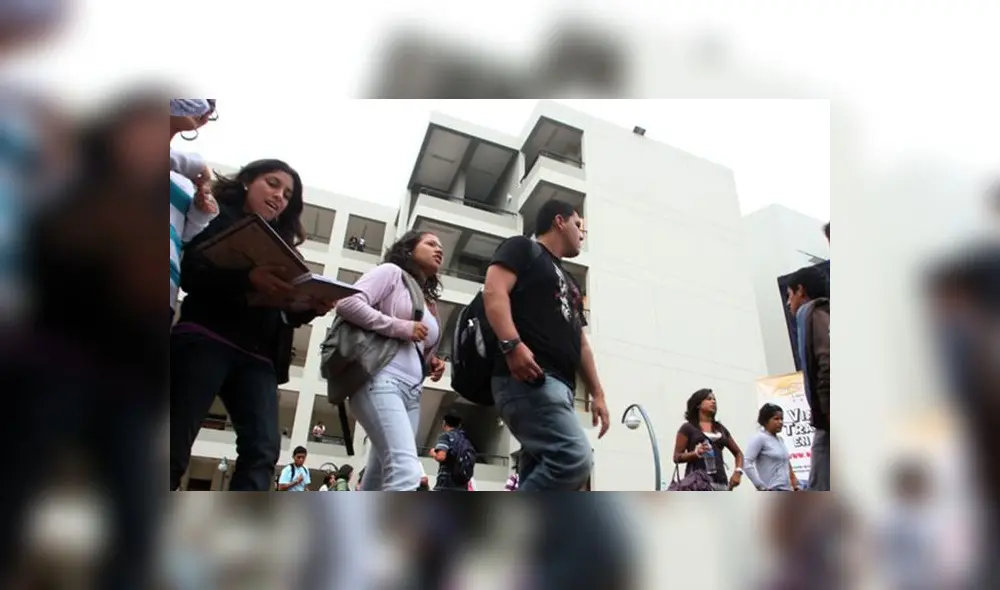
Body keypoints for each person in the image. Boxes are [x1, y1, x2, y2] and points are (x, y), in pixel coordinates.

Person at [169, 159, 336, 492]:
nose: (279, 197)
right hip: (206, 336)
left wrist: (309, 306)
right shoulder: (214, 215)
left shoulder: (284, 243)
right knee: (173, 437)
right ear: (246, 181)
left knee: (263, 448)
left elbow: (284, 312)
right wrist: (247, 279)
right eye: (272, 184)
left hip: (258, 355)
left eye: (288, 194)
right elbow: (192, 273)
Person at [483, 199, 609, 491]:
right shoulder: (522, 248)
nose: (582, 233)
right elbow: (494, 290)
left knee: (538, 471)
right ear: (559, 221)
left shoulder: (570, 281)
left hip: (559, 388)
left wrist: (598, 394)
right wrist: (512, 345)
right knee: (574, 459)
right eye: (578, 224)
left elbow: (581, 343)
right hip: (529, 379)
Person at [334, 230, 447, 491]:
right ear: (409, 250)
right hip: (380, 381)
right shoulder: (390, 273)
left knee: (379, 476)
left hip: (412, 394)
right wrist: (399, 327)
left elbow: (417, 344)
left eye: (440, 246)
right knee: (406, 472)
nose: (439, 249)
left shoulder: (428, 301)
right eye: (430, 243)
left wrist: (432, 362)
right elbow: (347, 303)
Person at [169, 99, 218, 321]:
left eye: (212, 108)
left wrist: (201, 213)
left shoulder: (185, 180)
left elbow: (183, 237)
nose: (206, 110)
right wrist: (191, 162)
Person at [785, 265, 830, 491]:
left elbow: (828, 362)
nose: (788, 302)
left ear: (800, 291)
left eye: (789, 295)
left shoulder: (811, 313)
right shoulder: (826, 313)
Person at [672, 389, 744, 491]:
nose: (713, 402)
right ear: (698, 404)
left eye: (714, 399)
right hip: (697, 484)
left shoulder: (720, 428)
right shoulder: (688, 428)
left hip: (721, 483)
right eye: (709, 399)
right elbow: (676, 457)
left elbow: (738, 453)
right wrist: (695, 453)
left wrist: (738, 471)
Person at [744, 403, 800, 491]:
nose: (780, 422)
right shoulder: (760, 438)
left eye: (782, 419)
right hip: (773, 489)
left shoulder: (780, 440)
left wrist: (795, 483)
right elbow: (746, 462)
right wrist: (760, 486)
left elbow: (786, 463)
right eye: (776, 419)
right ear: (765, 421)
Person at [429, 414, 473, 491]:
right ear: (459, 425)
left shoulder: (446, 436)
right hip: (462, 484)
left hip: (446, 483)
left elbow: (441, 457)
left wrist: (433, 452)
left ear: (444, 423)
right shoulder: (466, 440)